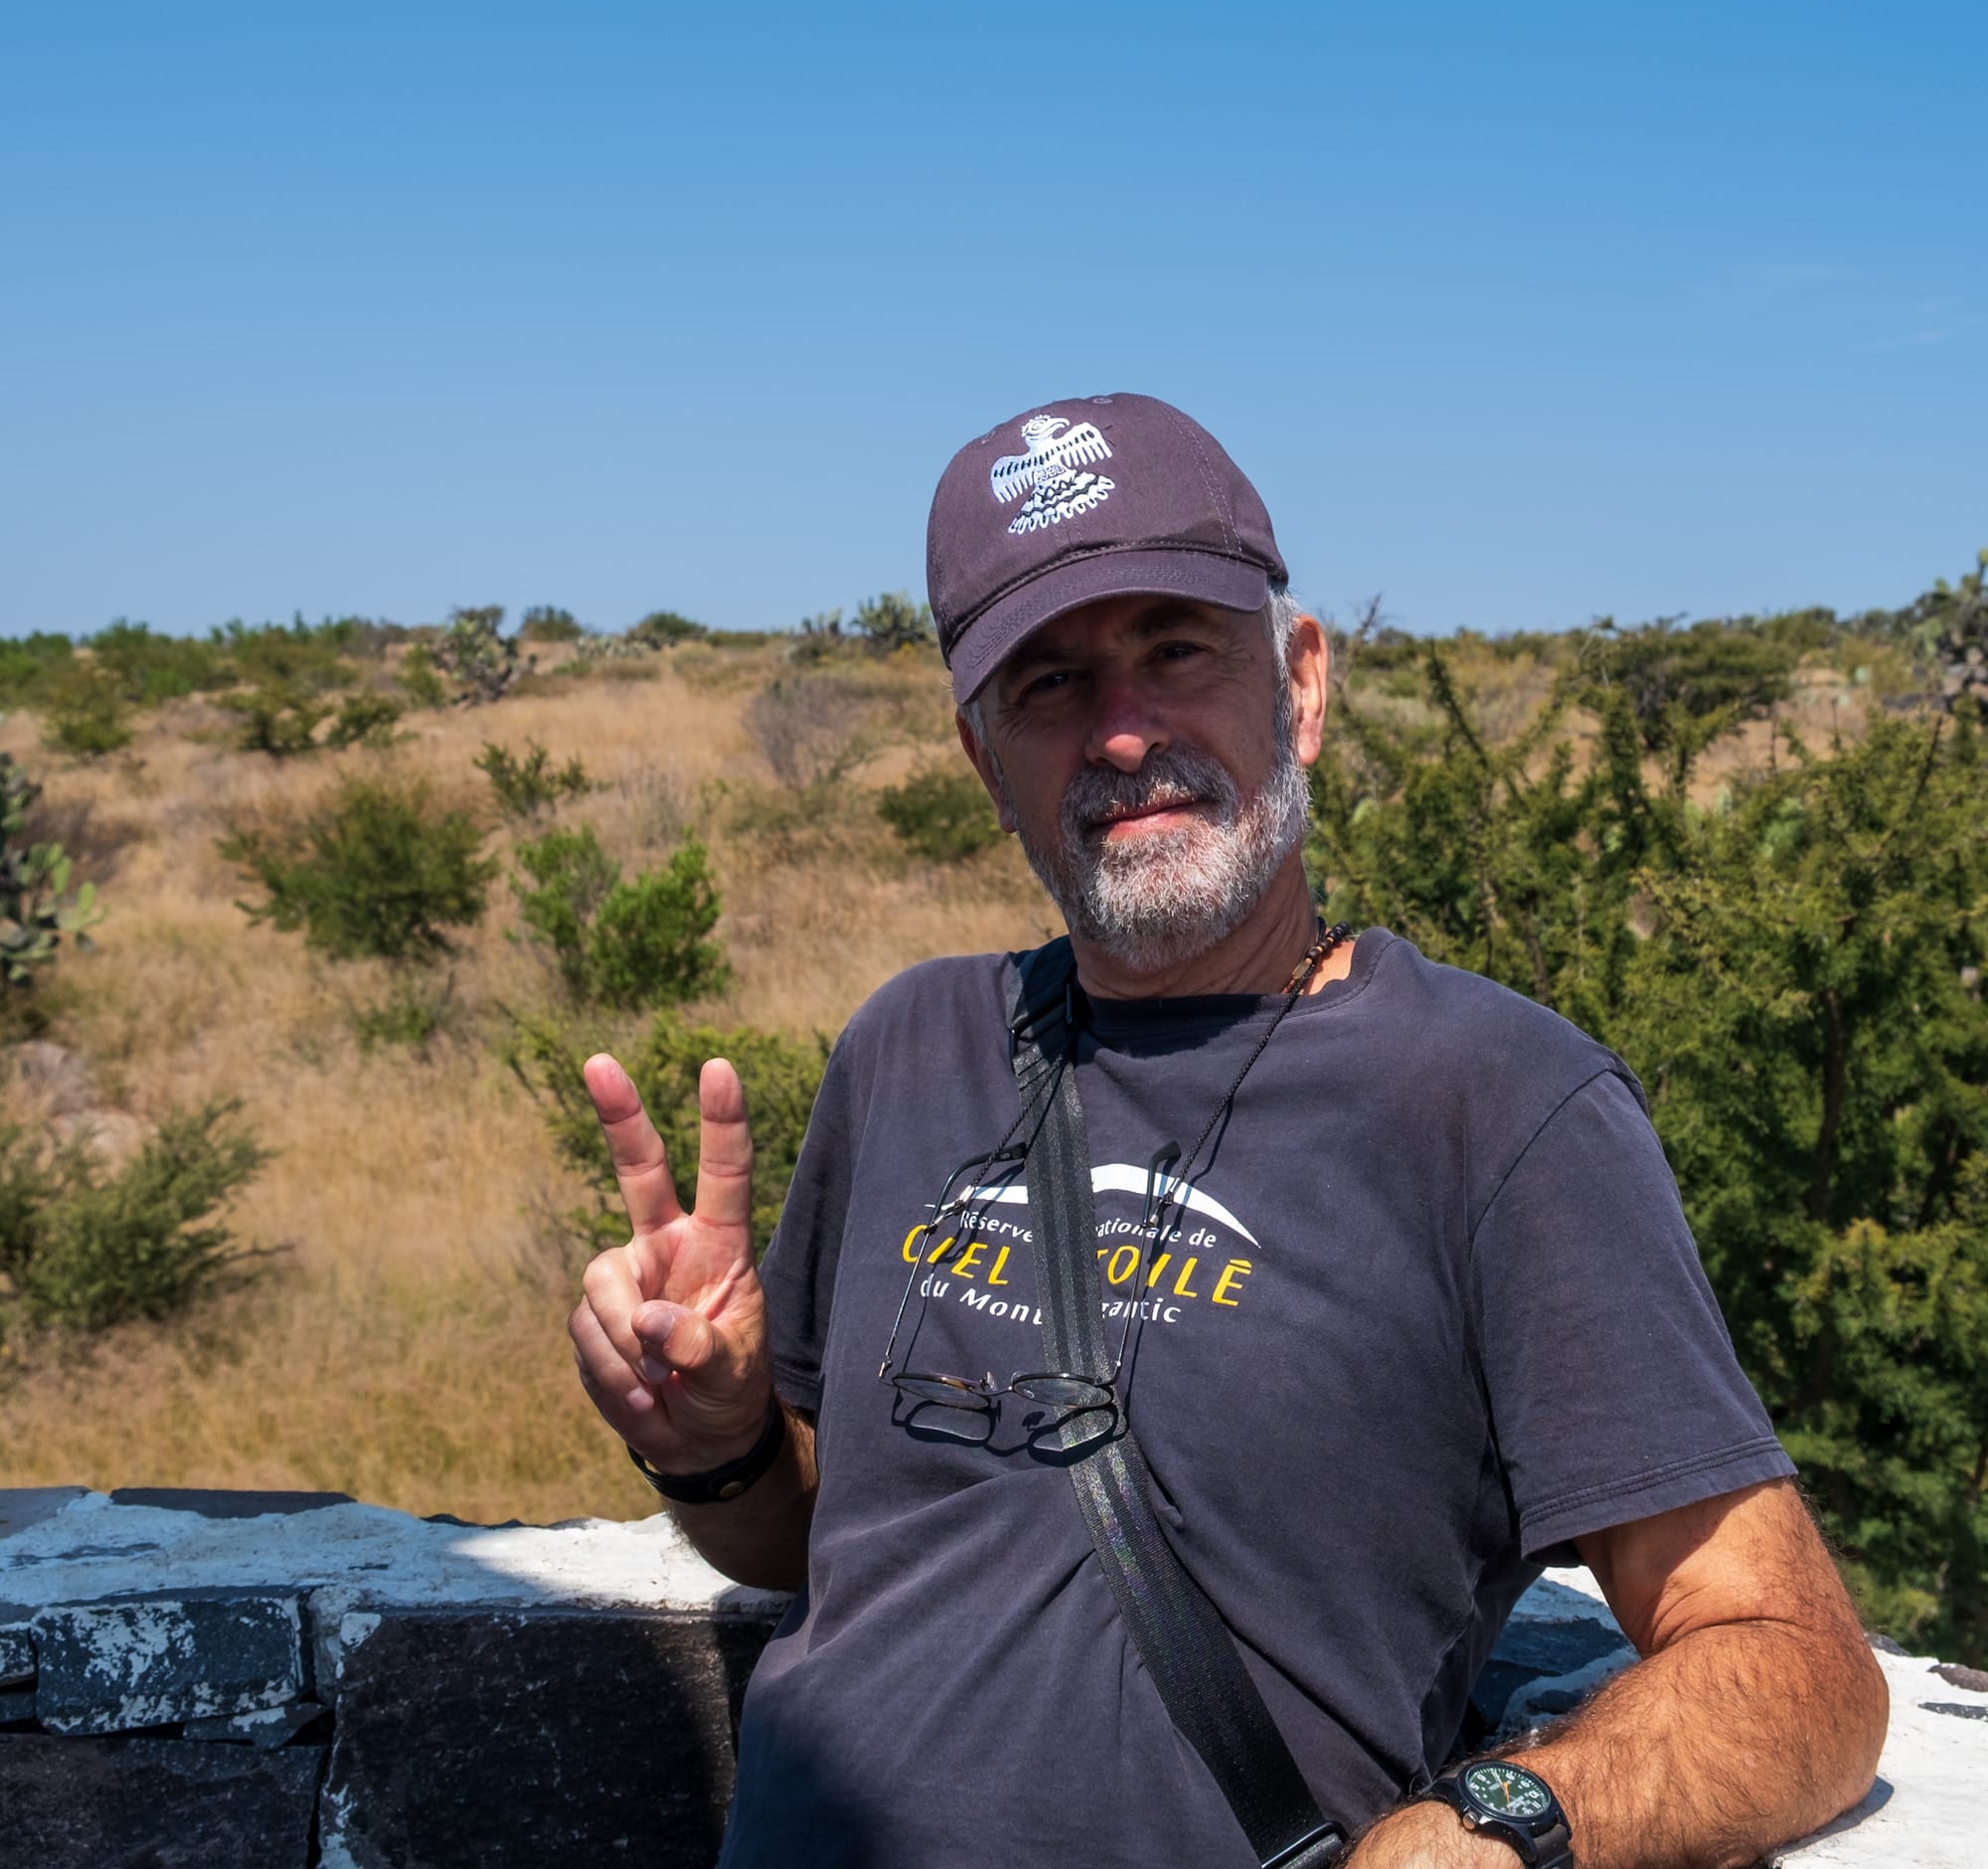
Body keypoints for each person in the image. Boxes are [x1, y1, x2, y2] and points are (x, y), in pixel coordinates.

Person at [570, 395, 1888, 1869]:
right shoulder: (914, 1046)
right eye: (1050, 683)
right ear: (981, 755)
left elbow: (1797, 1669)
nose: (1123, 731)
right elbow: (831, 1549)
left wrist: (1491, 1828)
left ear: (1301, 682)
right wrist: (719, 1444)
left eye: (1177, 652)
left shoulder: (1495, 1101)